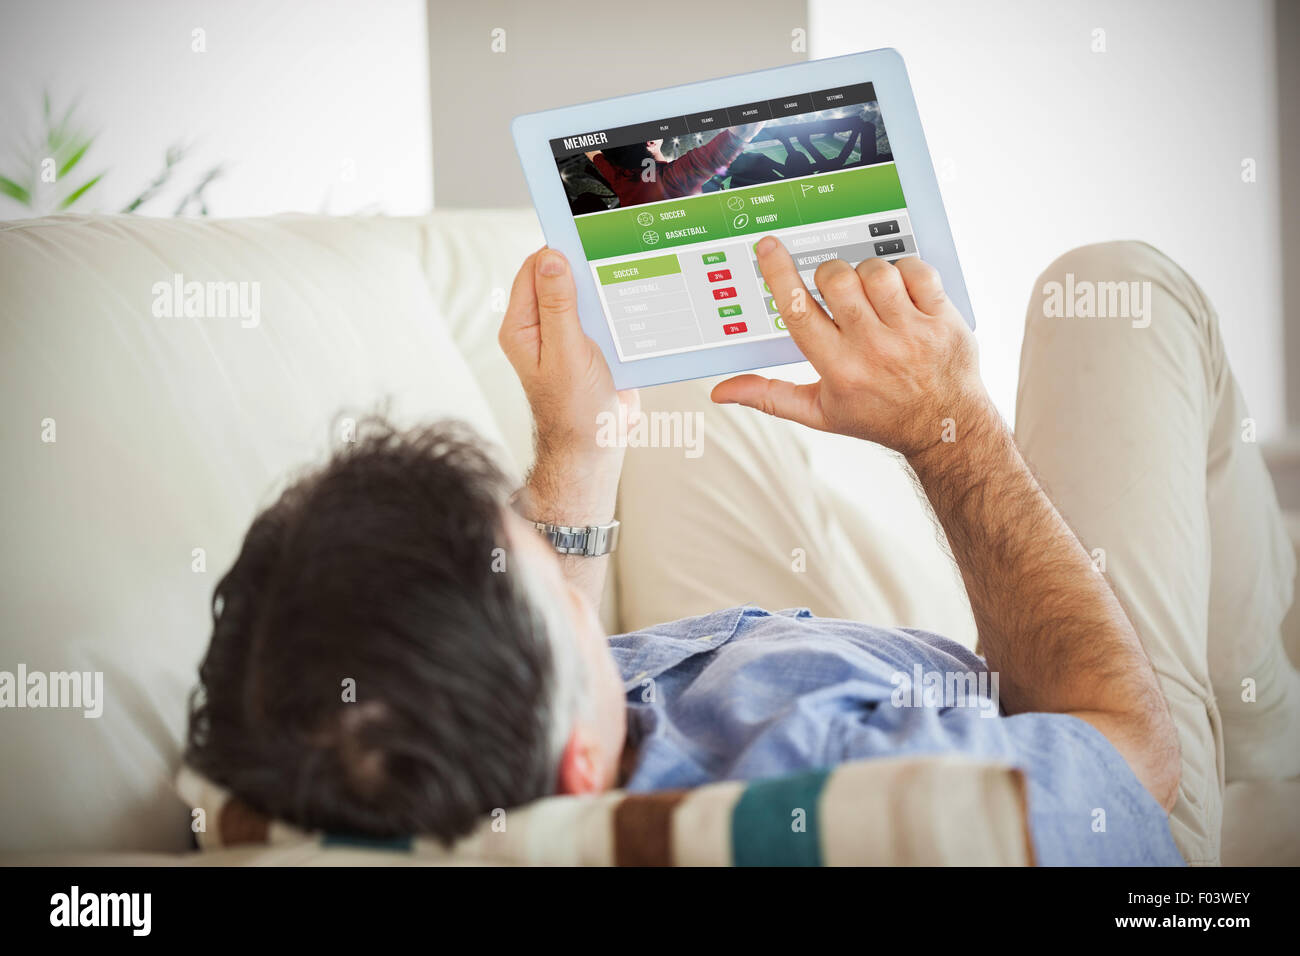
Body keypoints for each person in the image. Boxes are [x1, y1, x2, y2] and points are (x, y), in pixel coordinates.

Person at [184, 238, 1300, 865]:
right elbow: (1127, 759)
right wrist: (945, 428)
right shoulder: (837, 806)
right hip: (1081, 714)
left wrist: (580, 442)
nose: (566, 568)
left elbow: (529, 678)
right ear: (576, 768)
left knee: (676, 363)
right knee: (1119, 294)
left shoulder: (364, 740)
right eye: (560, 591)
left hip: (720, 688)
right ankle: (1262, 730)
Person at [585, 122, 765, 208]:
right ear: (650, 143)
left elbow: (592, 151)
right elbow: (745, 129)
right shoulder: (678, 176)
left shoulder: (620, 178)